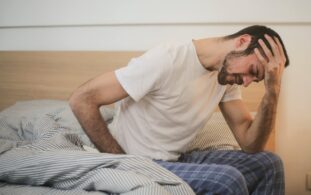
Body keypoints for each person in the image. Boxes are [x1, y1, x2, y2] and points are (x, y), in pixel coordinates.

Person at [69, 25, 290, 195]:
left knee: (269, 164)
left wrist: (272, 92)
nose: (248, 82)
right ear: (242, 42)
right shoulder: (167, 59)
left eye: (256, 79)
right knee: (228, 179)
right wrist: (122, 162)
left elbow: (250, 144)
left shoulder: (226, 78)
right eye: (252, 71)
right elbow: (81, 99)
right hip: (140, 160)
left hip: (175, 159)